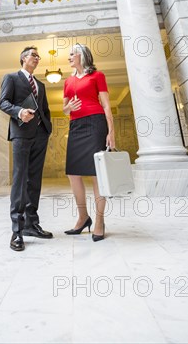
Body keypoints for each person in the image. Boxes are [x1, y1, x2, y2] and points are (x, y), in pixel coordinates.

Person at [0, 46, 53, 252]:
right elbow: (2, 102)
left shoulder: (40, 84)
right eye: (33, 55)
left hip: (40, 135)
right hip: (21, 133)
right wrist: (19, 111)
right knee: (20, 180)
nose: (37, 58)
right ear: (23, 58)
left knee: (35, 180)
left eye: (39, 56)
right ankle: (17, 230)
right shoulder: (11, 78)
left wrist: (47, 128)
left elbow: (45, 109)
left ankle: (31, 224)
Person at [63, 43, 115, 242]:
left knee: (96, 174)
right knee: (73, 173)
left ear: (82, 56)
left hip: (95, 124)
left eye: (71, 54)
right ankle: (83, 216)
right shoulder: (67, 81)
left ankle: (100, 221)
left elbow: (107, 106)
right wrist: (69, 107)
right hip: (75, 126)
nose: (68, 58)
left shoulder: (97, 76)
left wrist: (111, 132)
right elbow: (64, 109)